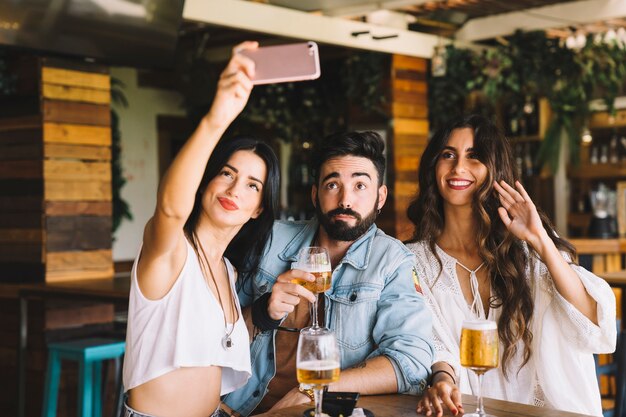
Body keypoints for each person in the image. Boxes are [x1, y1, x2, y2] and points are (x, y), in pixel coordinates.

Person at [406, 115, 616, 417]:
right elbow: (432, 340)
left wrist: (541, 241)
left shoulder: (528, 249)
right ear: (433, 167)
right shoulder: (416, 260)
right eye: (448, 155)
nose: (458, 168)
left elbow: (596, 328)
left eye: (474, 156)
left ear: (496, 171)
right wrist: (442, 380)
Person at [222, 131, 435, 416]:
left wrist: (312, 389)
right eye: (332, 184)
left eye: (360, 185)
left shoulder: (392, 261)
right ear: (315, 194)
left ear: (380, 196)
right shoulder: (271, 240)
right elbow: (214, 336)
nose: (345, 199)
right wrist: (262, 313)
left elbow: (411, 361)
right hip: (242, 408)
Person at [122, 42, 281, 417]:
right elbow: (170, 207)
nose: (234, 190)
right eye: (227, 173)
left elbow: (209, 360)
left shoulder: (229, 272)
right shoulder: (171, 250)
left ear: (259, 209)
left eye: (252, 185)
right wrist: (217, 118)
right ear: (206, 181)